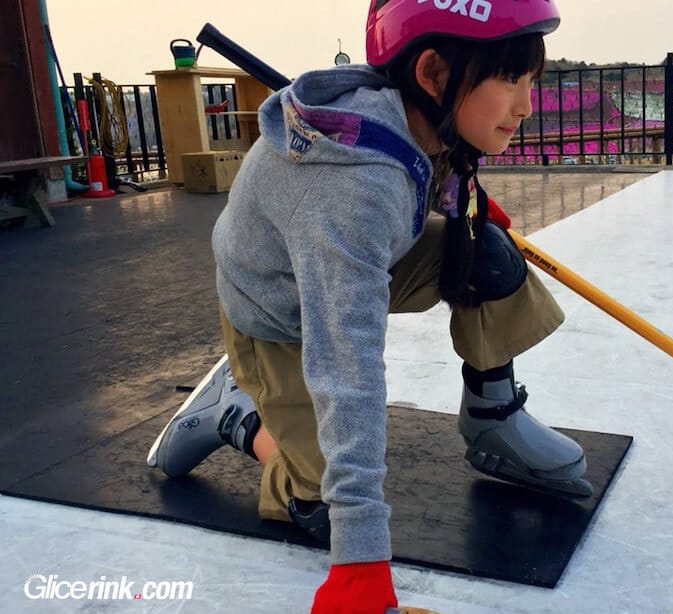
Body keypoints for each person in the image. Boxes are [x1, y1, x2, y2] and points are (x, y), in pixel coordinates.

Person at [147, 1, 589, 611]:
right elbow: (346, 366)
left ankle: (492, 417)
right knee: (324, 507)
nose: (526, 105)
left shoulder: (406, 113)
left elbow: (415, 172)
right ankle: (236, 418)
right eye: (510, 79)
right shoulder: (351, 192)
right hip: (279, 317)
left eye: (531, 80)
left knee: (484, 253)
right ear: (433, 73)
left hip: (345, 266)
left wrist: (462, 197)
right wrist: (360, 559)